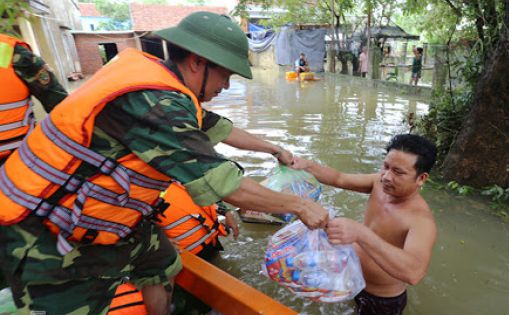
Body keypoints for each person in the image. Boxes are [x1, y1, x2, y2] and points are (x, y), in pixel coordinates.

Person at [0, 12, 328, 315]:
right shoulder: (158, 103)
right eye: (225, 75)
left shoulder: (162, 84)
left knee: (161, 260)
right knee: (78, 303)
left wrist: (275, 149)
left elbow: (221, 129)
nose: (226, 86)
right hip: (44, 223)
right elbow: (226, 185)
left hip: (105, 212)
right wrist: (298, 206)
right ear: (199, 62)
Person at [292, 134, 437, 315]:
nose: (386, 177)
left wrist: (361, 233)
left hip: (382, 300)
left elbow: (414, 273)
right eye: (385, 166)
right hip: (352, 280)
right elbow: (339, 178)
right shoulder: (378, 183)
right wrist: (306, 165)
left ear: (421, 178)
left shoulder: (421, 220)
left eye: (398, 172)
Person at [0, 34, 68, 165]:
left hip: (17, 159)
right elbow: (61, 107)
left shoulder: (13, 53)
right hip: (17, 162)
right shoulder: (13, 52)